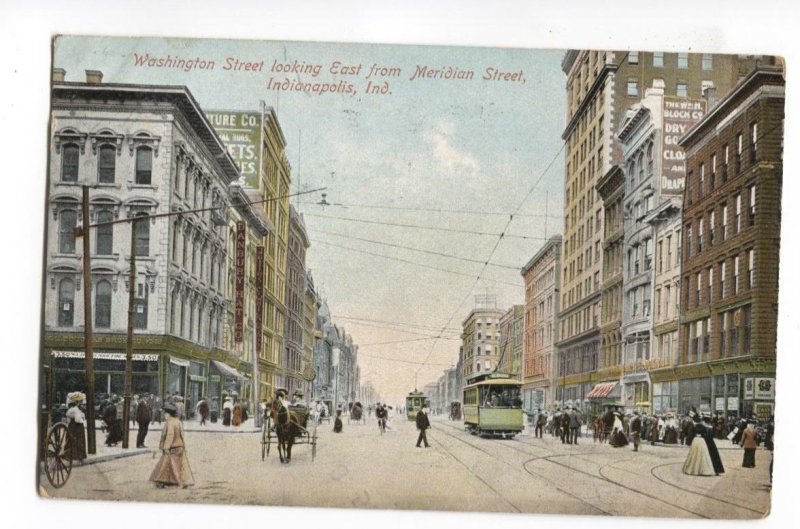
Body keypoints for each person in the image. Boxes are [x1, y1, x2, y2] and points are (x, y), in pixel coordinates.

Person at [150, 403, 194, 489]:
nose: (164, 415)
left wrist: (166, 447)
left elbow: (170, 435)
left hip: (172, 447)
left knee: (165, 465)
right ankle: (182, 481)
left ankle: (162, 481)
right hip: (180, 446)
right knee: (180, 465)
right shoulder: (178, 421)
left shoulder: (170, 422)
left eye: (165, 413)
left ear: (168, 413)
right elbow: (182, 434)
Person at [65, 392, 87, 462]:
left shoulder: (72, 409)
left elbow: (68, 417)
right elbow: (78, 420)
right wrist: (82, 419)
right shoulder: (76, 410)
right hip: (77, 427)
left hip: (71, 426)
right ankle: (79, 456)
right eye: (82, 404)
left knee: (72, 440)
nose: (83, 406)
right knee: (79, 441)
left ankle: (70, 454)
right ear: (78, 403)